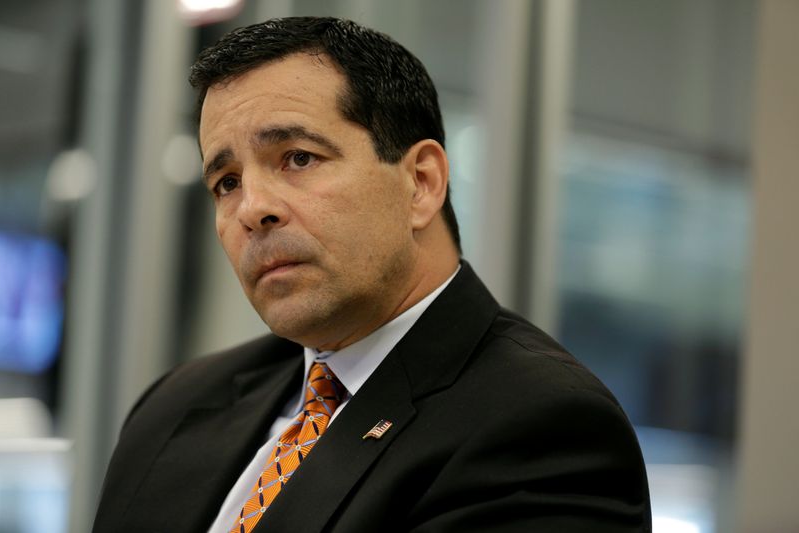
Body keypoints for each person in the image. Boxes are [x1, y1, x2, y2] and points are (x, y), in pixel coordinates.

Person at [93, 16, 651, 533]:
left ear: (421, 183)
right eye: (227, 182)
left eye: (298, 158)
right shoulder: (175, 405)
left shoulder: (541, 426)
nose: (251, 208)